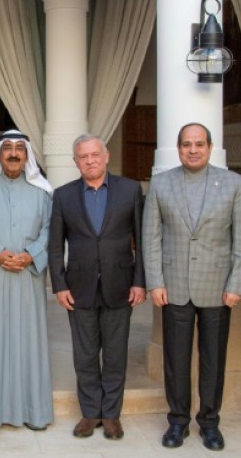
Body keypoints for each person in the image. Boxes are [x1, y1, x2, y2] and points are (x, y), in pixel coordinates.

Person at [142, 123, 241, 451]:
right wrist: (155, 282)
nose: (193, 150)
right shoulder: (161, 184)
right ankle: (177, 421)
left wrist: (237, 284)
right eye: (187, 144)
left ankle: (209, 422)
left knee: (213, 359)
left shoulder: (234, 183)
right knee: (175, 359)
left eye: (199, 144)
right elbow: (151, 237)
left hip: (218, 288)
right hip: (173, 286)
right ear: (178, 148)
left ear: (210, 146)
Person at [48, 133, 145, 440]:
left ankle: (111, 415)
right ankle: (91, 413)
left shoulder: (130, 190)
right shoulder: (63, 195)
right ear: (75, 162)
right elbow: (54, 246)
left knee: (116, 354)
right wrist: (59, 285)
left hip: (121, 284)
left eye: (94, 154)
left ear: (106, 156)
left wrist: (140, 281)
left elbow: (142, 242)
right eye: (82, 156)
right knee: (86, 355)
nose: (89, 160)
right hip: (79, 287)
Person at [0, 130, 54, 434]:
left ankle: (33, 411)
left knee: (28, 341)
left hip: (28, 278)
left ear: (28, 155)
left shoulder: (43, 190)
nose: (14, 154)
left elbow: (50, 229)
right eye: (8, 148)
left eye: (20, 148)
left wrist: (31, 255)